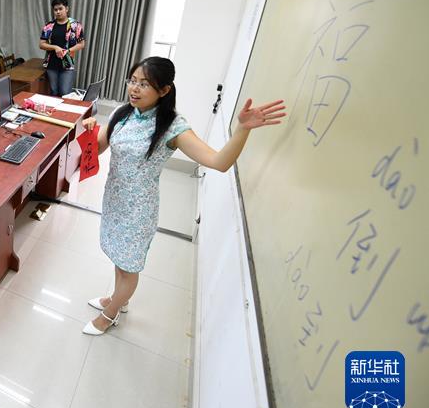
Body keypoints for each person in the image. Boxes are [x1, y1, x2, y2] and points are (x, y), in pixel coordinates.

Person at [79, 57, 286, 335]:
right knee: (119, 258)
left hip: (137, 211)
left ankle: (110, 313)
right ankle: (119, 298)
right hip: (113, 201)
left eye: (144, 84)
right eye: (132, 81)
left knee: (129, 267)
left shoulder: (172, 127)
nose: (134, 89)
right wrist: (89, 131)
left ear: (164, 90)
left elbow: (219, 162)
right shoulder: (122, 113)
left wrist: (242, 130)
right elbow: (97, 150)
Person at [39, 0, 86, 97]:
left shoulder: (75, 25)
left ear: (66, 9)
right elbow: (41, 44)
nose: (58, 12)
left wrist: (67, 51)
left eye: (60, 9)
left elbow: (81, 44)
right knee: (54, 91)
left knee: (65, 93)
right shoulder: (49, 26)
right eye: (55, 10)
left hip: (68, 64)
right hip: (51, 64)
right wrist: (55, 47)